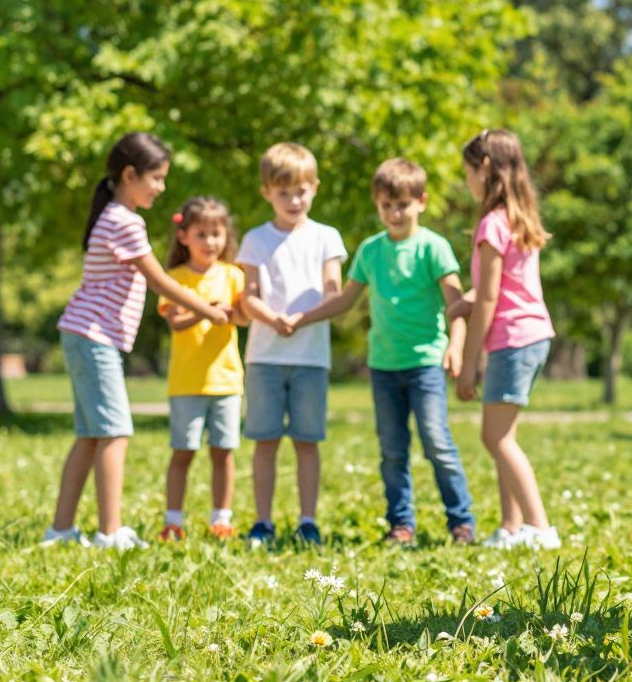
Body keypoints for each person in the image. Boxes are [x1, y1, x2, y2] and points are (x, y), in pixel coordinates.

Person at [44, 133, 229, 550]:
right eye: (156, 178)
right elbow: (159, 280)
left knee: (91, 434)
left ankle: (61, 530)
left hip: (85, 334)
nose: (161, 187)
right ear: (130, 175)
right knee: (115, 432)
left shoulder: (113, 215)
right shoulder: (124, 221)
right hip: (93, 336)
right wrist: (208, 310)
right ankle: (110, 533)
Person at [293, 157, 477, 546]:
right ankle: (401, 524)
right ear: (377, 205)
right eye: (387, 205)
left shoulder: (434, 248)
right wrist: (301, 319)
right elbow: (345, 300)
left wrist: (456, 346)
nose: (395, 213)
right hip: (384, 366)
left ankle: (461, 521)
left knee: (437, 442)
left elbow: (457, 306)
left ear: (421, 202)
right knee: (392, 451)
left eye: (403, 205)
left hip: (425, 362)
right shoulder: (370, 251)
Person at [236, 142, 347, 546]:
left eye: (301, 191)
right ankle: (262, 522)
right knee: (265, 441)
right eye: (283, 193)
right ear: (266, 192)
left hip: (311, 358)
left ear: (314, 188)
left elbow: (334, 293)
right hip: (264, 357)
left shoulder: (326, 237)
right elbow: (248, 297)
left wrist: (302, 319)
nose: (294, 200)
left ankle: (308, 521)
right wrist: (273, 319)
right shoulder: (255, 239)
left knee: (307, 442)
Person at [452, 128, 558, 550]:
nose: (467, 182)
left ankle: (539, 527)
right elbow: (500, 287)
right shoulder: (518, 220)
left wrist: (467, 364)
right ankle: (511, 527)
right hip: (531, 335)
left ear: (484, 168)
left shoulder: (492, 225)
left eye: (468, 173)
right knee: (503, 435)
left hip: (513, 338)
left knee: (494, 438)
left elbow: (489, 297)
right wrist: (464, 302)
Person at [157, 196, 247, 542]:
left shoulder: (232, 275)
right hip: (187, 382)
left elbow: (243, 317)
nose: (210, 241)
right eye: (201, 234)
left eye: (216, 234)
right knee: (183, 452)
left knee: (223, 452)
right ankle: (173, 521)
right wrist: (204, 310)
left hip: (226, 381)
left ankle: (221, 519)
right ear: (184, 237)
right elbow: (176, 322)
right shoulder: (175, 278)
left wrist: (232, 312)